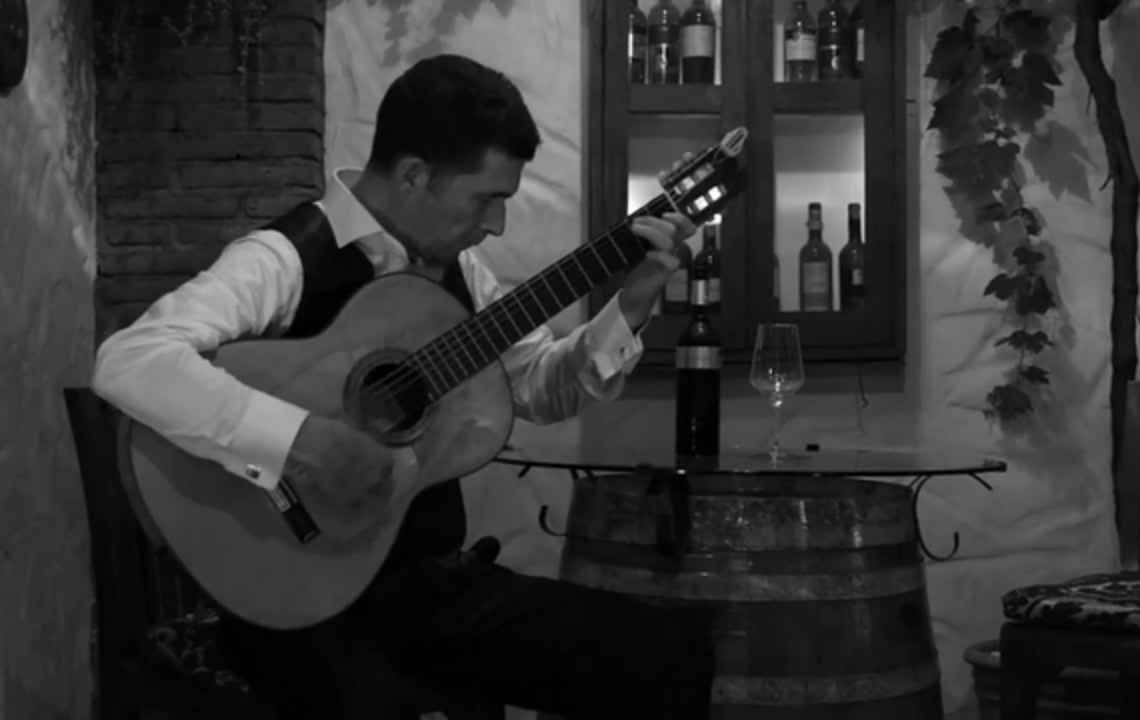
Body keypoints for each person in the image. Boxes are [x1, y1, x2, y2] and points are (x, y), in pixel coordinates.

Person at [92, 54, 716, 719]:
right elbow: (131, 359)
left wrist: (634, 301)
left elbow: (540, 388)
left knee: (662, 652)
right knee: (368, 700)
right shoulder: (283, 258)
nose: (496, 224)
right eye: (487, 199)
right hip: (293, 597)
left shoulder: (463, 273)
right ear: (415, 174)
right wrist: (302, 440)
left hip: (423, 590)